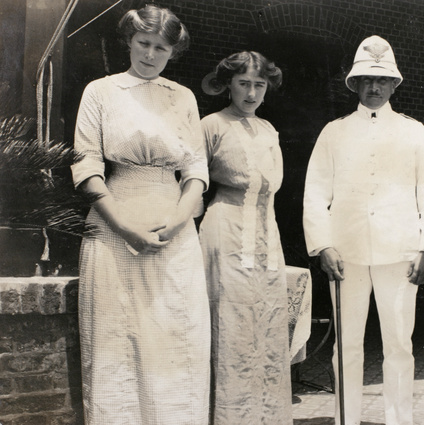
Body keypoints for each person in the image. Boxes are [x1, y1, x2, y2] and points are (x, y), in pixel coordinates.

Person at [71, 5, 210, 424]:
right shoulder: (101, 91)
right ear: (129, 41)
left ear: (173, 51)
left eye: (161, 48)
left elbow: (196, 170)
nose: (150, 55)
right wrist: (125, 227)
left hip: (175, 230)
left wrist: (180, 220)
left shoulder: (182, 97)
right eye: (143, 44)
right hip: (115, 225)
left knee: (175, 336)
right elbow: (86, 165)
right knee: (118, 338)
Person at [303, 35, 424, 425]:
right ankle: (345, 419)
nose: (375, 87)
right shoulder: (334, 132)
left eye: (382, 80)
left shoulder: (415, 132)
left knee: (399, 345)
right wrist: (323, 245)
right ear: (355, 83)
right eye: (367, 79)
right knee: (347, 344)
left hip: (400, 255)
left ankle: (400, 420)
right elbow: (314, 192)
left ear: (395, 84)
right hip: (346, 255)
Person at [198, 51, 292, 425]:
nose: (251, 93)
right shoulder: (212, 125)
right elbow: (192, 181)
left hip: (268, 235)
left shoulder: (269, 130)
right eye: (243, 84)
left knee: (266, 325)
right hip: (226, 230)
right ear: (229, 85)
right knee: (230, 323)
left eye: (259, 85)